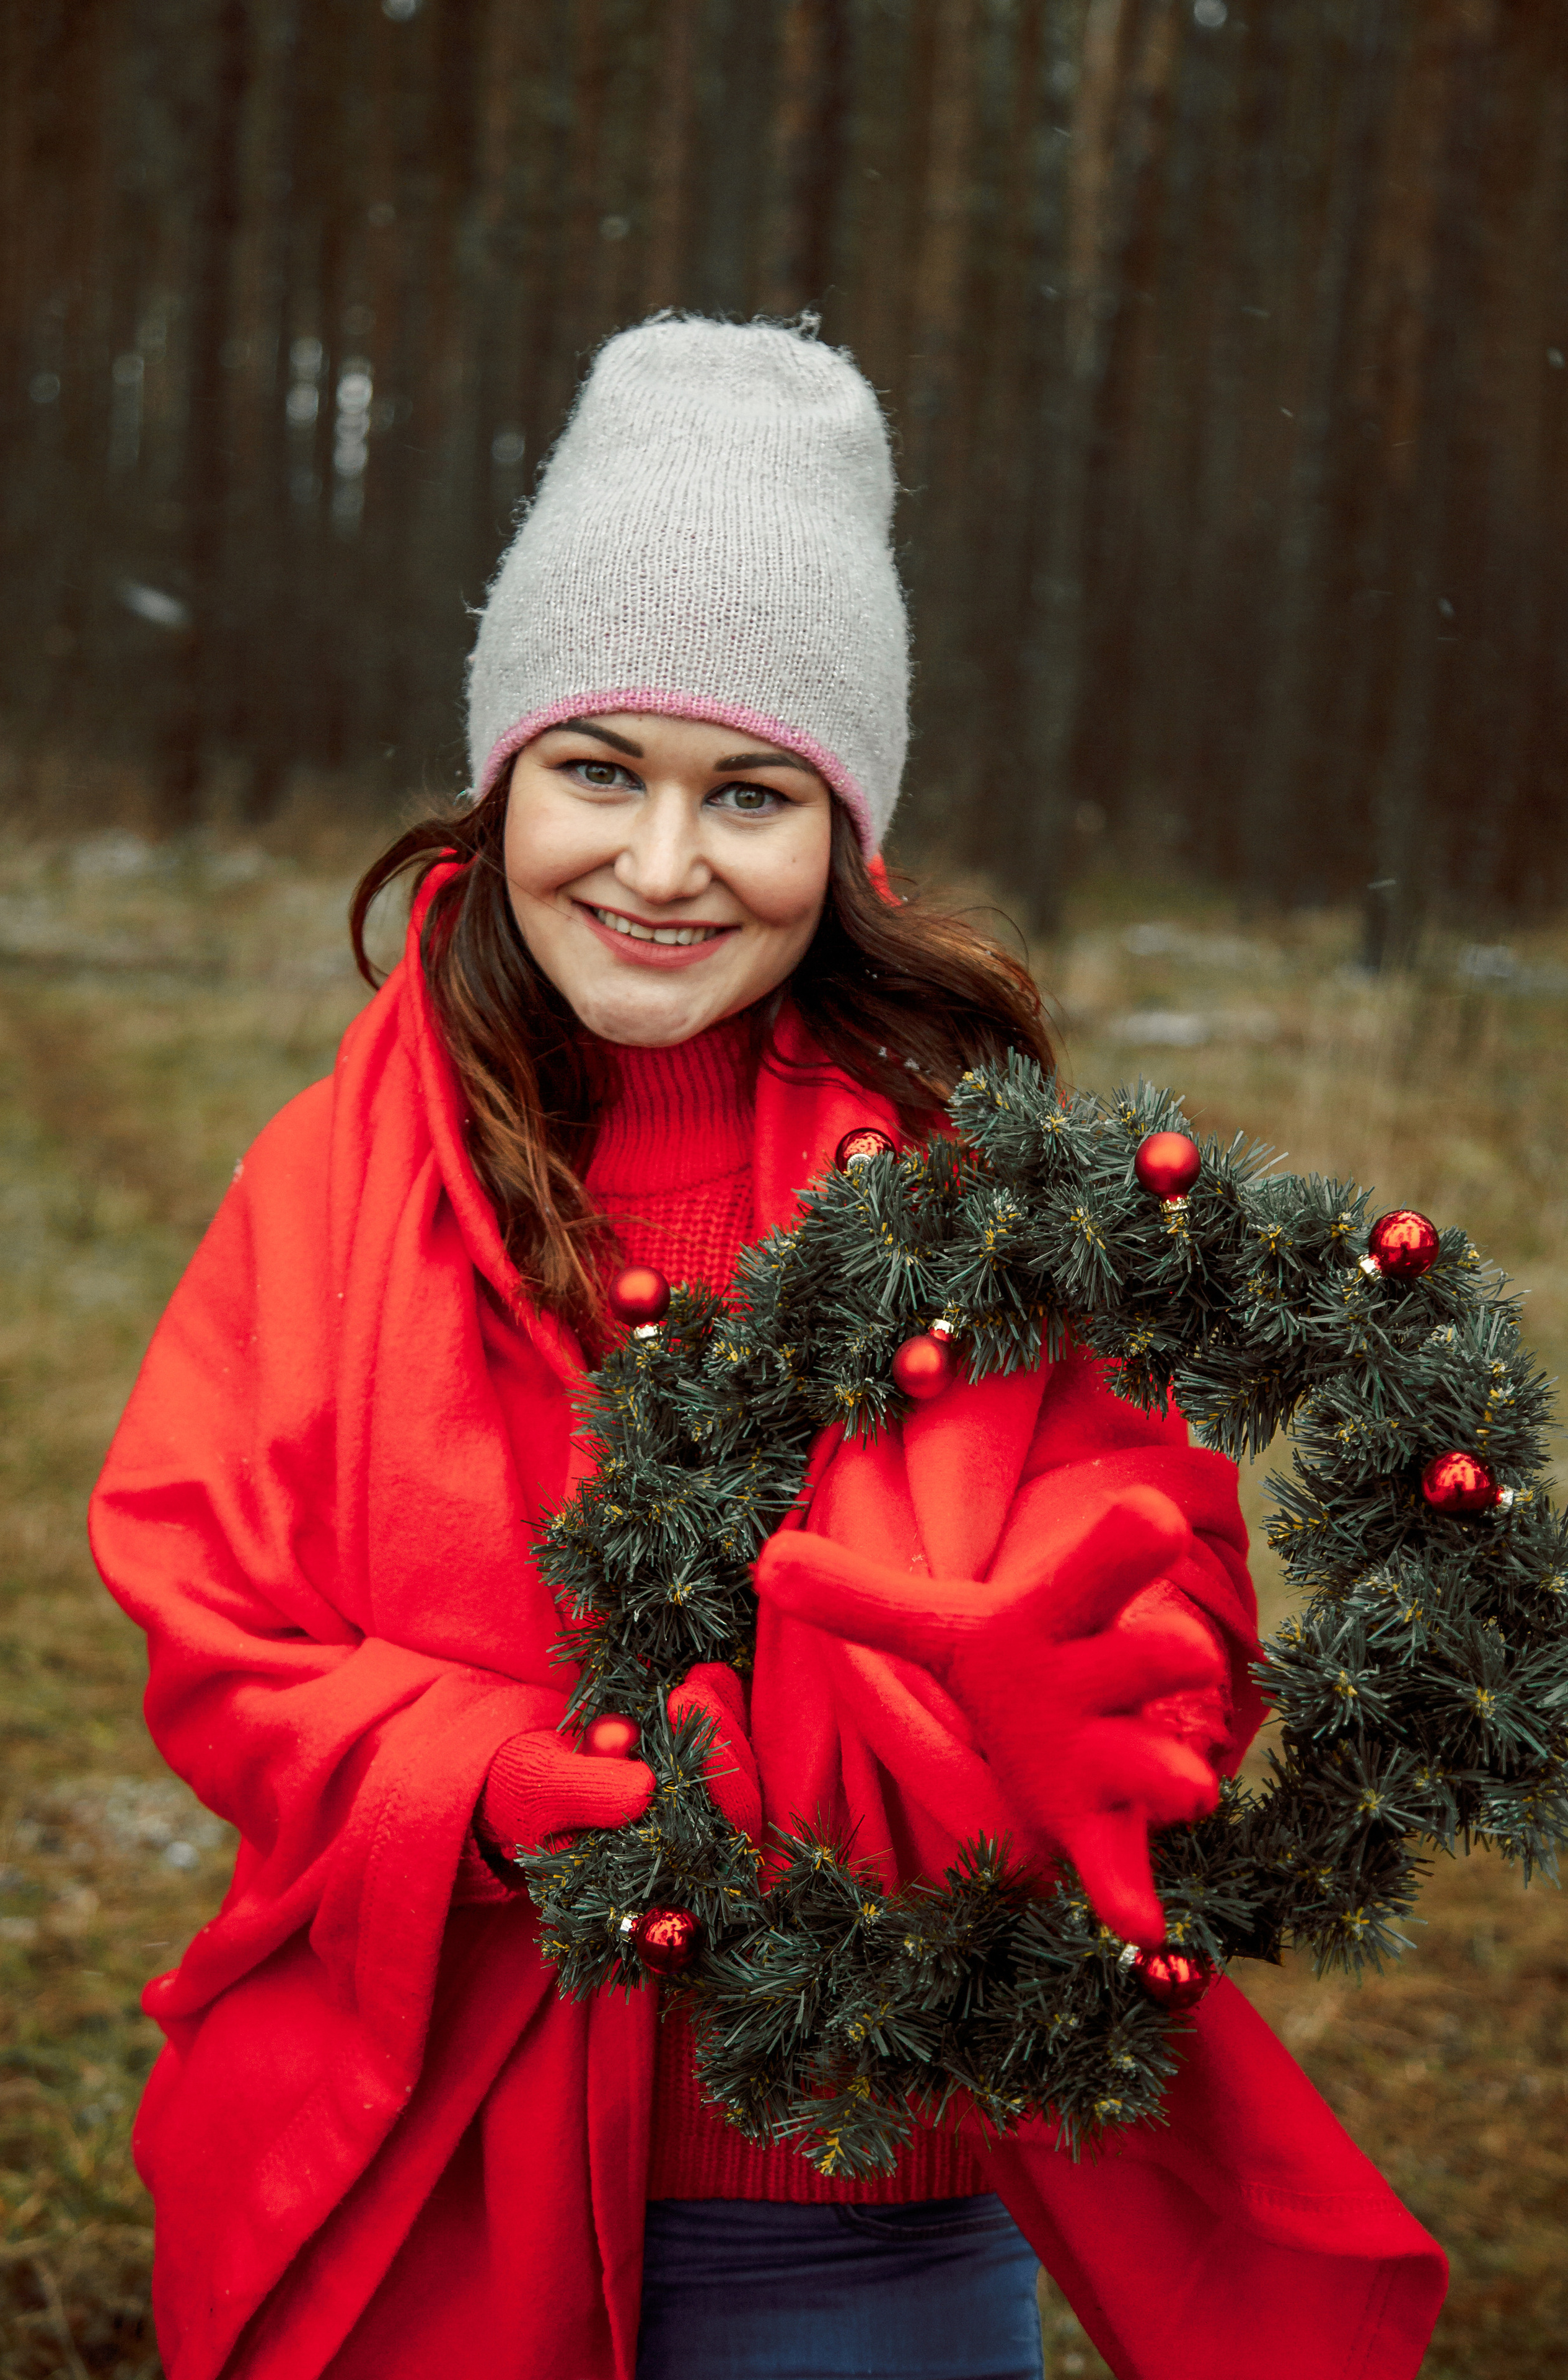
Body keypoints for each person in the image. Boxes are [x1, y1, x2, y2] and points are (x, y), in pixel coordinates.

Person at [90, 319, 1445, 2380]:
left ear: (847, 834)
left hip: (862, 2225)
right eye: (596, 772)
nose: (658, 866)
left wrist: (1097, 1710)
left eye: (749, 794)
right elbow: (215, 1622)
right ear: (499, 778)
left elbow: (1161, 1595)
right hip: (430, 2171)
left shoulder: (991, 1208)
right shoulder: (328, 1182)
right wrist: (487, 1786)